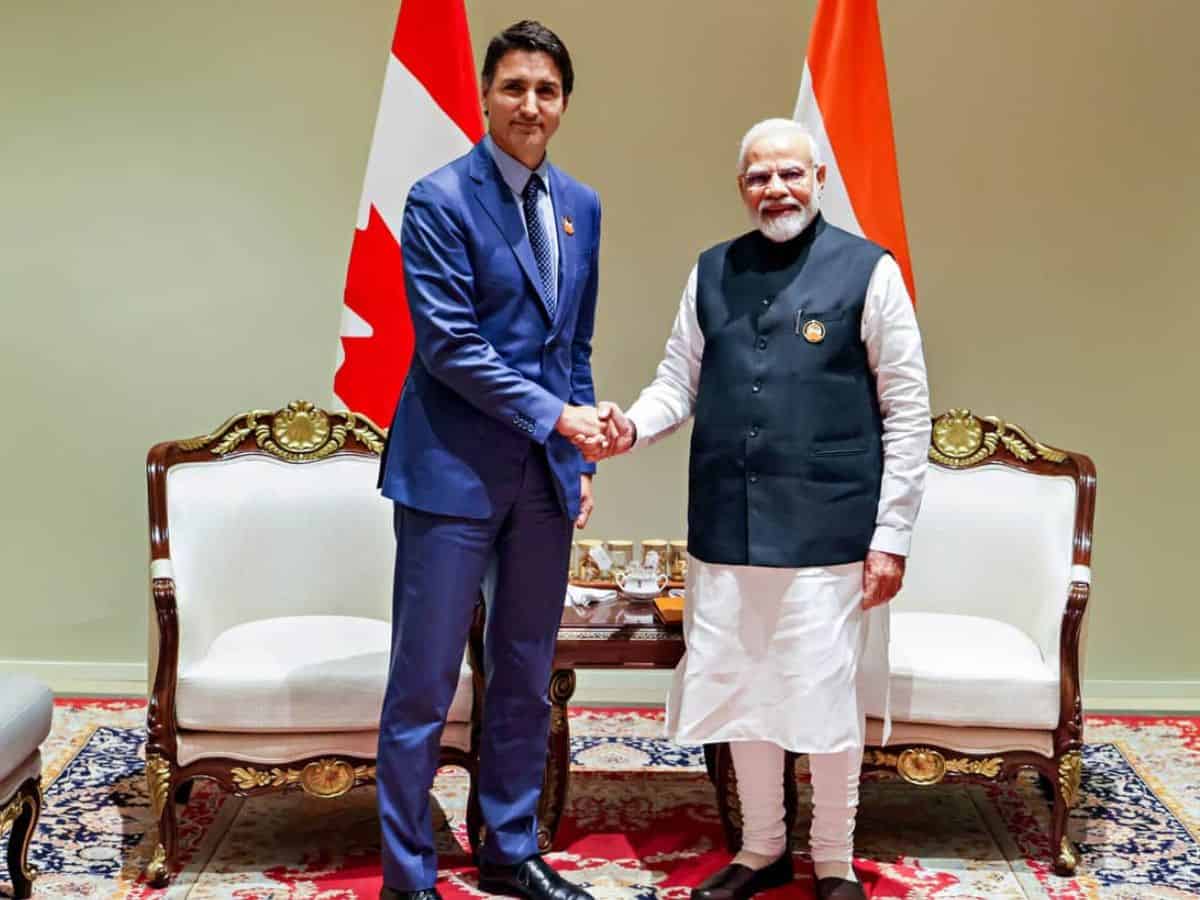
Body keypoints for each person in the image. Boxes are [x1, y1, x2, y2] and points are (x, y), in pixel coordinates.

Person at [592, 118, 931, 900]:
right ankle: (761, 848)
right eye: (756, 177)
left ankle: (837, 858)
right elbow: (677, 378)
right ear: (741, 187)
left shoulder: (868, 271)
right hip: (728, 523)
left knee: (822, 695)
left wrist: (892, 535)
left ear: (818, 178)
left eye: (788, 174)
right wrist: (629, 427)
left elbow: (908, 409)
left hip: (831, 529)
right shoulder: (712, 270)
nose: (773, 189)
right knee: (746, 689)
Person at [376, 20, 604, 900]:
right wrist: (562, 418)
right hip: (448, 477)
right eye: (515, 87)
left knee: (523, 675)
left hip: (544, 482)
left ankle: (509, 850)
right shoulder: (438, 199)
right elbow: (451, 348)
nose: (531, 105)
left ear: (564, 104)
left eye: (547, 90)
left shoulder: (582, 206)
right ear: (484, 94)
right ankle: (409, 875)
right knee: (425, 686)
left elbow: (571, 346)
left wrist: (577, 457)